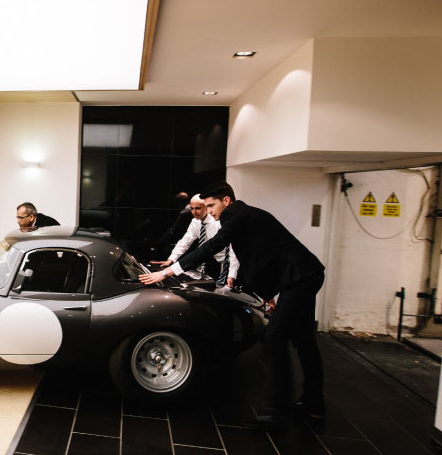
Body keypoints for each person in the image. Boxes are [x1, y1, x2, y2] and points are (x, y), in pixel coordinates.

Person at [139, 182, 325, 425]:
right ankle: (314, 404)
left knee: (275, 338)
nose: (209, 210)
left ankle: (278, 409)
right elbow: (262, 254)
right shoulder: (246, 215)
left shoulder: (235, 215)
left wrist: (167, 272)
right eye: (205, 206)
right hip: (305, 274)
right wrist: (269, 293)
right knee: (303, 341)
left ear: (226, 201)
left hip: (299, 278)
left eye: (211, 205)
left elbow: (212, 247)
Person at [150, 194, 239, 286]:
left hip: (232, 263)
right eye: (192, 208)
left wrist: (232, 274)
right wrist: (171, 259)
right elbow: (185, 242)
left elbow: (233, 250)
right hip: (213, 262)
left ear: (206, 208)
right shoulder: (195, 222)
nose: (194, 212)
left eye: (197, 208)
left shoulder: (217, 222)